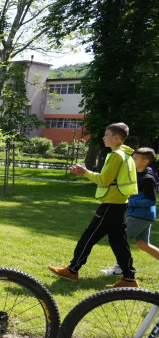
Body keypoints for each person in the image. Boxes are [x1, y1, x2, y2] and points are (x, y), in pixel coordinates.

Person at [49, 122, 139, 287]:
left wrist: (85, 172)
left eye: (106, 135)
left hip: (111, 204)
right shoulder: (126, 154)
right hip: (119, 203)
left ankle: (73, 269)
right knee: (119, 242)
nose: (103, 138)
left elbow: (104, 180)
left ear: (116, 137)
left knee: (88, 236)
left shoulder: (116, 155)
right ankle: (129, 278)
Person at [100, 147, 159, 275]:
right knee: (143, 245)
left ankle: (120, 268)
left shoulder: (148, 178)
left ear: (146, 161)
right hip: (142, 215)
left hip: (141, 215)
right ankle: (121, 266)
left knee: (119, 238)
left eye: (136, 158)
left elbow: (151, 201)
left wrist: (131, 202)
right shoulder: (136, 173)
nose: (132, 160)